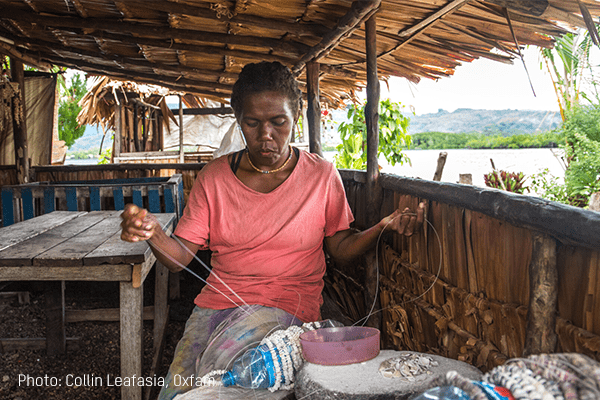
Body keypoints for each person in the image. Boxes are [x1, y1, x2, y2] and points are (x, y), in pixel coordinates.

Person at [120, 61, 424, 399]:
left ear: (295, 118)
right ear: (239, 121)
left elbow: (341, 247)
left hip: (287, 308)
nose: (266, 135)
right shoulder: (214, 178)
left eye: (278, 122)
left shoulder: (321, 176)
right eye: (252, 123)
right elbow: (179, 258)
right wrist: (154, 234)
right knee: (178, 392)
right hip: (214, 308)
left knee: (225, 382)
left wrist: (382, 228)